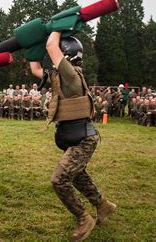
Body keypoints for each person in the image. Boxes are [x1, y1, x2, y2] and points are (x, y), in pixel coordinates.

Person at [29, 32, 116, 241]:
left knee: (59, 179)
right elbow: (36, 69)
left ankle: (83, 218)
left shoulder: (70, 74)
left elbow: (51, 45)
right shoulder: (61, 77)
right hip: (74, 136)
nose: (52, 60)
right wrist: (31, 46)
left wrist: (55, 27)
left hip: (83, 139)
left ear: (65, 55)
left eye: (56, 56)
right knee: (77, 175)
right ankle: (103, 205)